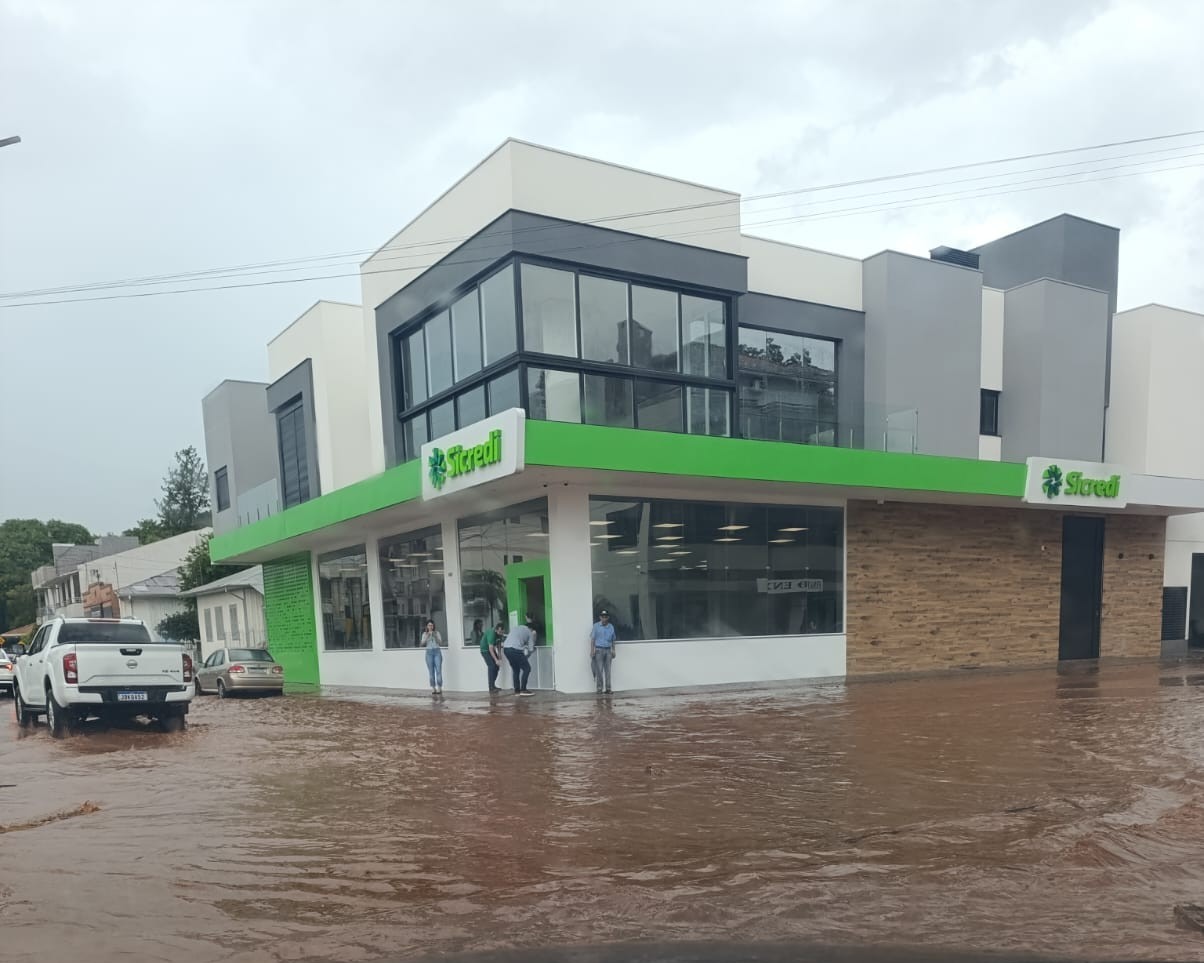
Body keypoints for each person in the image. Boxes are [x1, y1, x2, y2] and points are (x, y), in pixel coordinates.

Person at [503, 618, 534, 696]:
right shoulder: (530, 632)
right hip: (515, 650)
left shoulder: (516, 628)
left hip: (506, 649)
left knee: (516, 670)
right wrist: (527, 656)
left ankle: (517, 691)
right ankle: (523, 690)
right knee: (527, 668)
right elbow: (531, 649)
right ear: (531, 629)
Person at [589, 609, 617, 695]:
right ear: (600, 617)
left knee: (608, 670)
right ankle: (599, 689)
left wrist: (613, 650)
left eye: (605, 617)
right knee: (599, 670)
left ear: (608, 617)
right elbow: (592, 639)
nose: (604, 618)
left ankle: (608, 689)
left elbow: (613, 640)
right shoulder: (596, 626)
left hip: (608, 651)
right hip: (599, 650)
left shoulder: (611, 627)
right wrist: (592, 650)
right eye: (602, 616)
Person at [479, 619, 503, 693]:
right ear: (496, 630)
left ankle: (493, 684)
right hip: (485, 650)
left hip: (491, 650)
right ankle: (491, 687)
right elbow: (491, 649)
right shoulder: (492, 633)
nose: (501, 633)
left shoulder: (500, 634)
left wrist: (499, 655)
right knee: (492, 666)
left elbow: (499, 644)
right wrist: (496, 660)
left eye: (502, 632)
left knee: (497, 667)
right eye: (499, 632)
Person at [421, 620, 443, 695]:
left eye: (432, 625)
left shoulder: (437, 633)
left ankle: (439, 687)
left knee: (438, 670)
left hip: (437, 652)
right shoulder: (424, 634)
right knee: (431, 672)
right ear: (427, 626)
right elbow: (422, 644)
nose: (430, 627)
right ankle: (433, 688)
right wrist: (427, 636)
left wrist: (435, 636)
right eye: (429, 625)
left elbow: (440, 643)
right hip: (429, 653)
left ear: (433, 626)